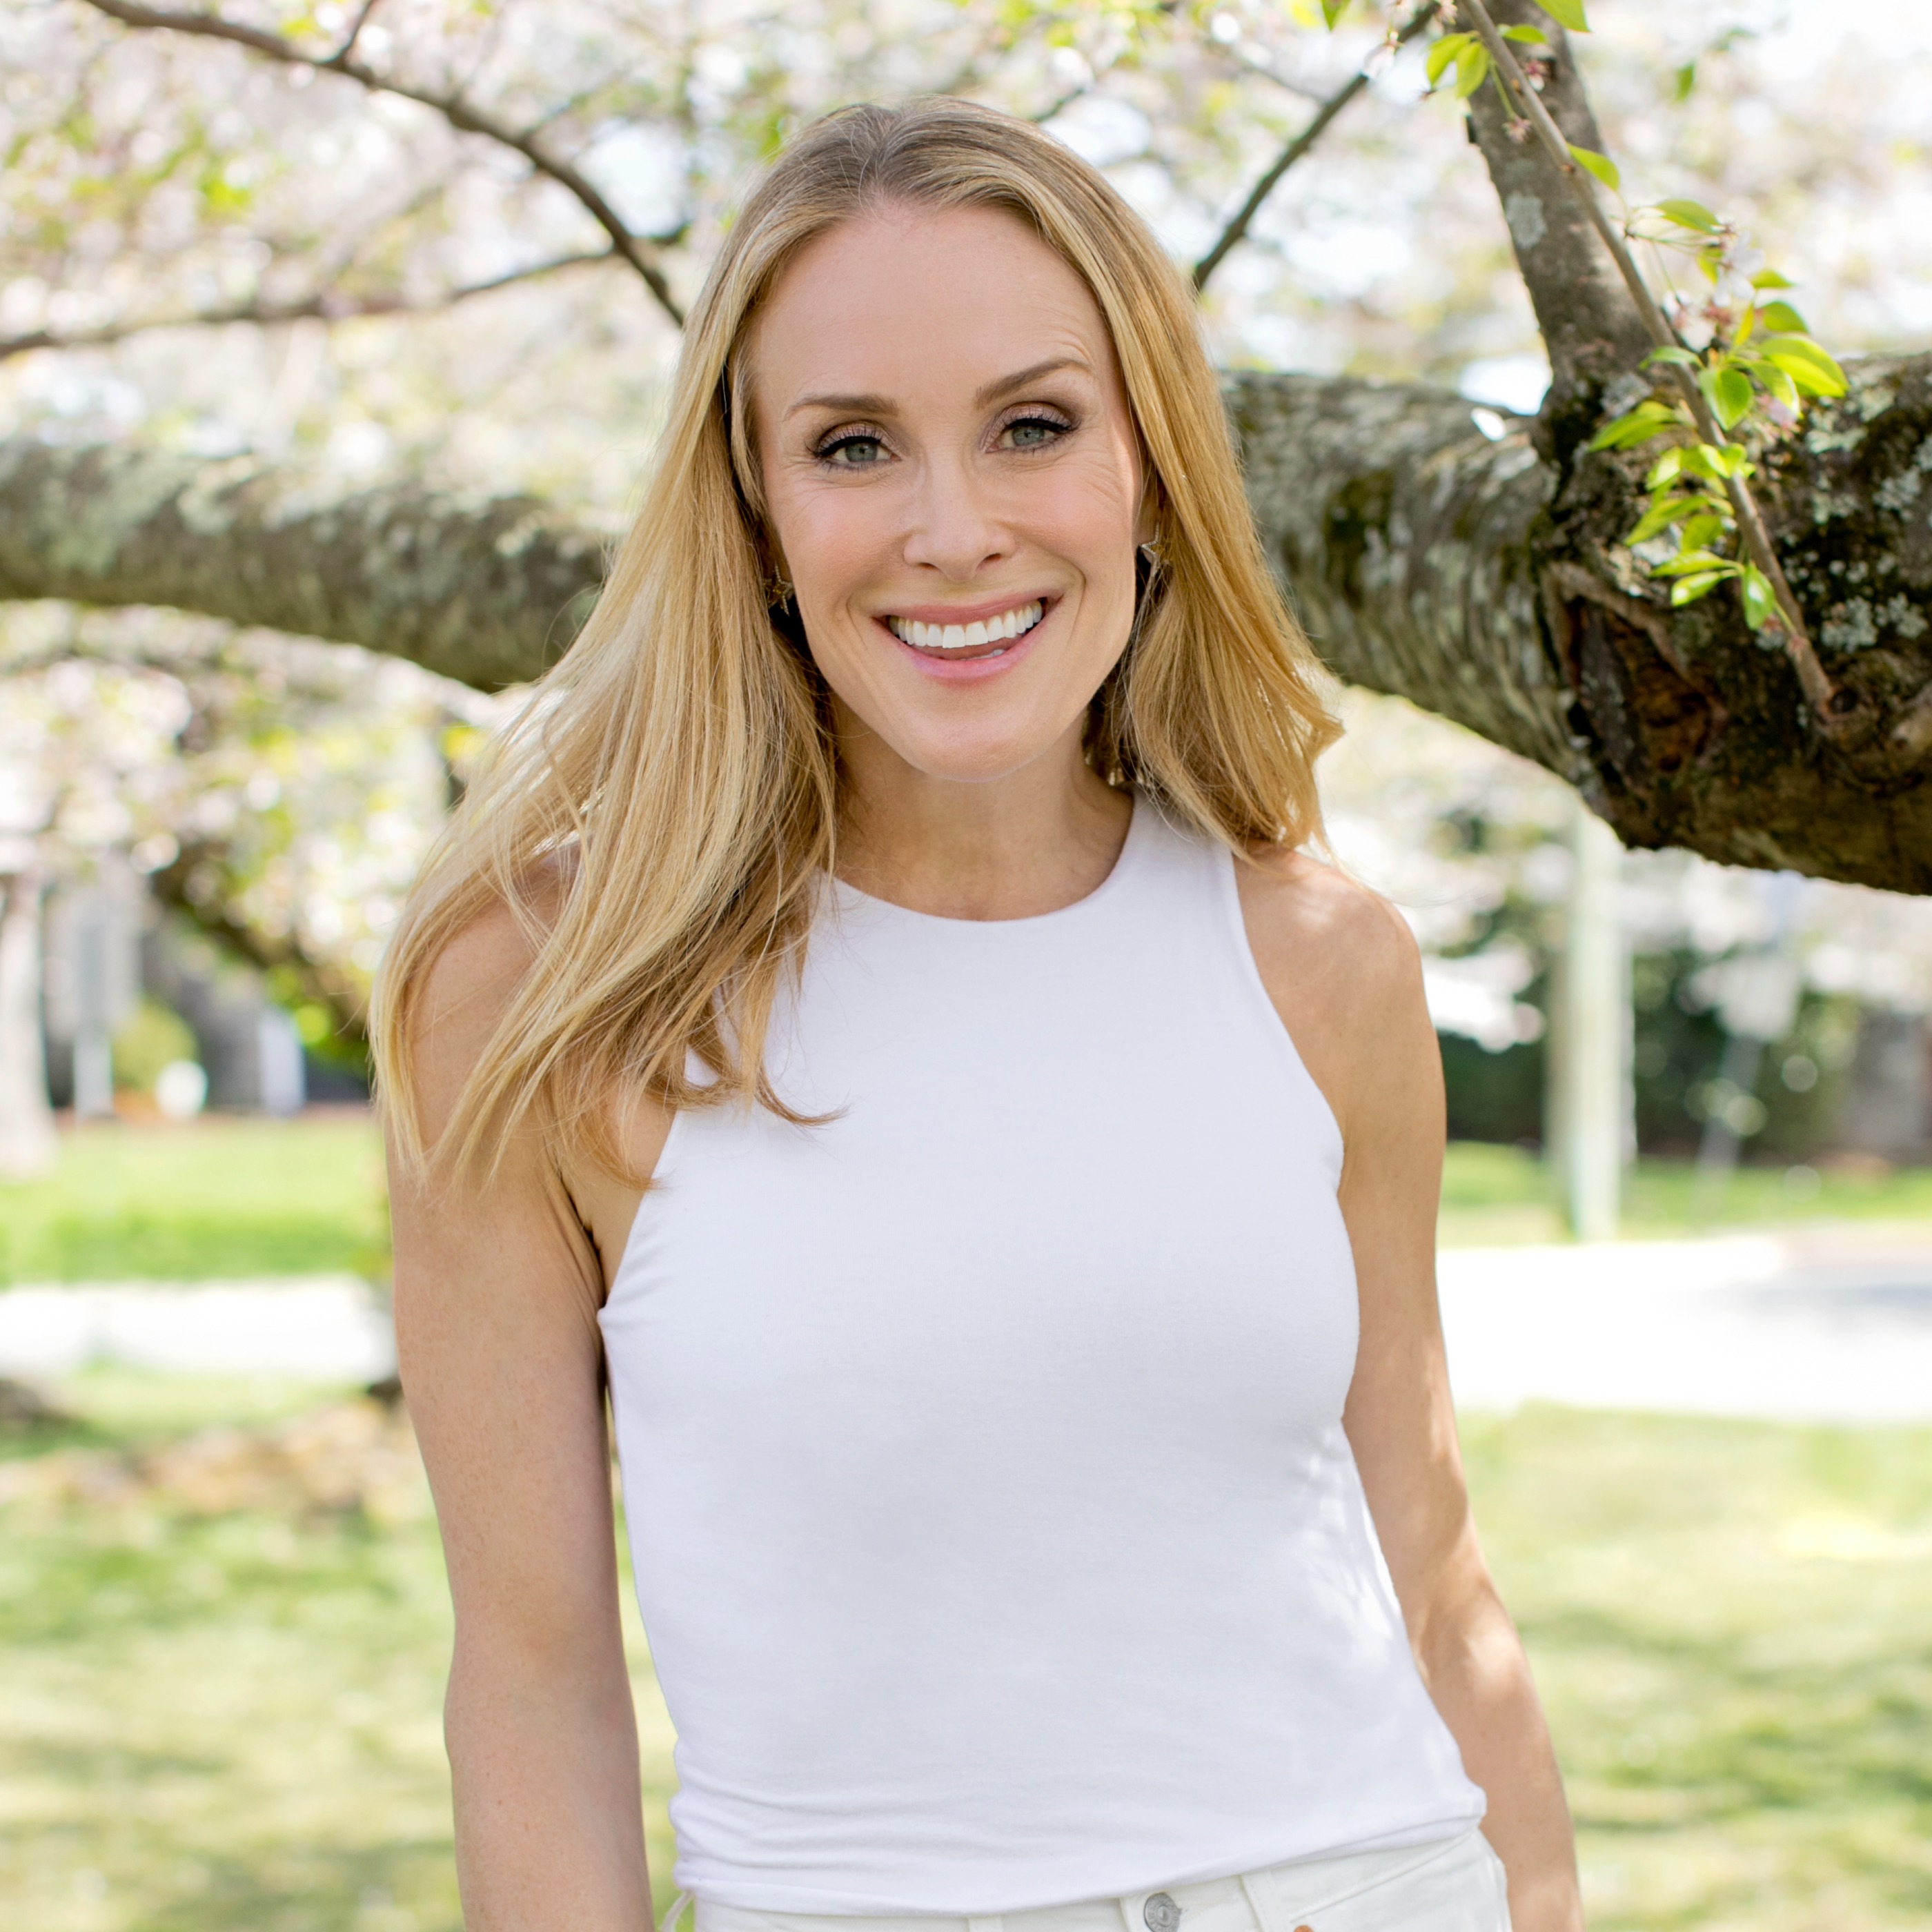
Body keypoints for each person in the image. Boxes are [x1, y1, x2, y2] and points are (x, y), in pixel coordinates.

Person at [376, 96, 1585, 1932]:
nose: (955, 531)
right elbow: (534, 1684)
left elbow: (1434, 1578)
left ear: (1150, 466)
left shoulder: (1325, 963)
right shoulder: (539, 997)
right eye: (853, 445)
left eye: (1034, 425)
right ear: (754, 507)